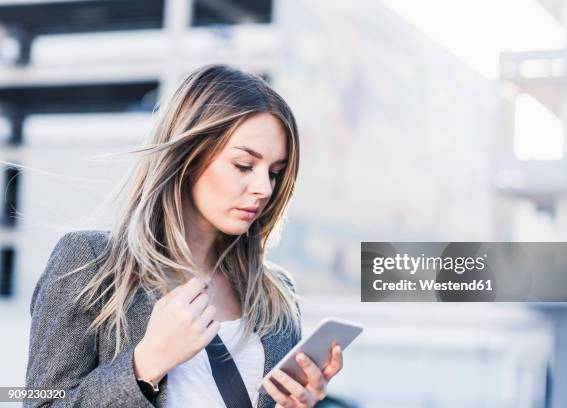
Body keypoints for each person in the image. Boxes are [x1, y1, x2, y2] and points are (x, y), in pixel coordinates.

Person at [25, 64, 343, 408]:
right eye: (243, 166)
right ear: (189, 157)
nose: (263, 188)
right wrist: (146, 363)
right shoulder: (90, 262)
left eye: (275, 173)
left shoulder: (277, 294)